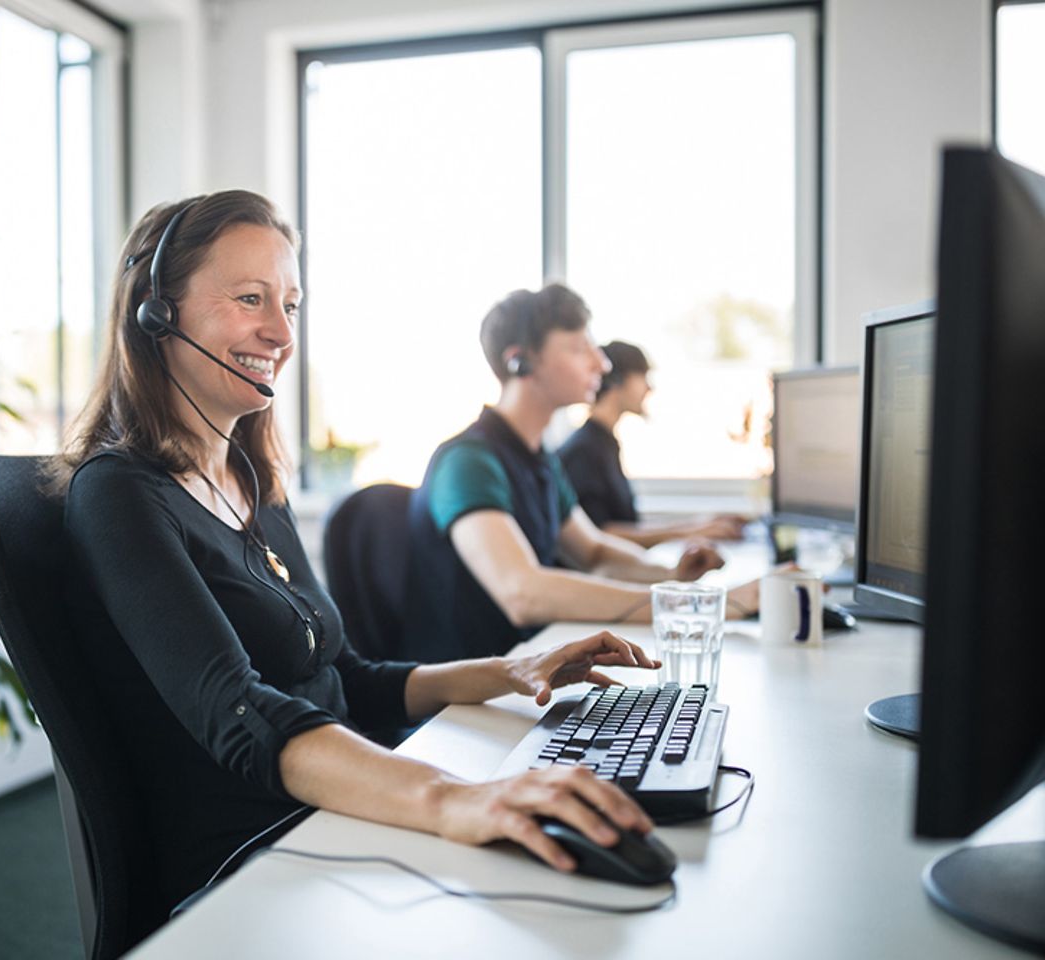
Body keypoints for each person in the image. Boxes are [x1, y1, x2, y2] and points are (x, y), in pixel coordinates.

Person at [48, 191, 661, 918]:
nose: (280, 332)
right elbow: (237, 711)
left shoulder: (250, 482)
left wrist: (510, 671)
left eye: (292, 305)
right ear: (158, 312)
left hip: (339, 814)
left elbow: (347, 680)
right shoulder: (119, 494)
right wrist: (453, 799)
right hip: (259, 865)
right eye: (251, 299)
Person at [402, 286, 761, 665]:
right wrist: (695, 607)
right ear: (519, 362)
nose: (601, 364)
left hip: (530, 670)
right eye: (578, 348)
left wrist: (672, 574)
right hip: (465, 704)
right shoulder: (468, 462)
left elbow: (594, 553)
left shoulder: (537, 459)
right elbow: (522, 593)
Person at [558, 339, 750, 548]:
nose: (649, 387)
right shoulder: (584, 451)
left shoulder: (604, 443)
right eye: (642, 376)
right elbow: (599, 533)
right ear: (617, 380)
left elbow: (626, 525)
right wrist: (692, 531)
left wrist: (698, 525)